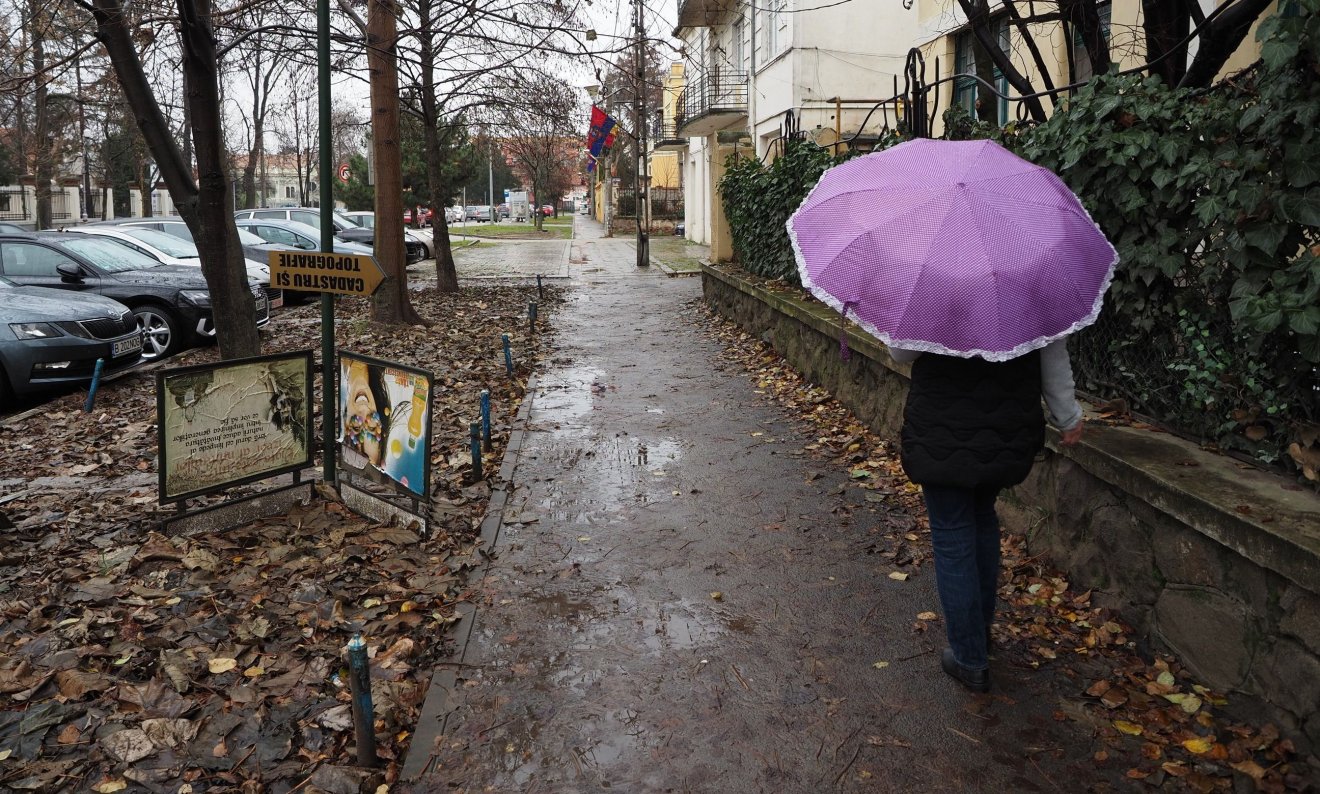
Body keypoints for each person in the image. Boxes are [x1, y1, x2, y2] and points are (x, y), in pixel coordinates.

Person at [890, 338, 1084, 693]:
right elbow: (1052, 354)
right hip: (1005, 430)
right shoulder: (1030, 285)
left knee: (952, 533)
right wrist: (1068, 416)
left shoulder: (934, 284)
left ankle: (968, 657)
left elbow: (900, 352)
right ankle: (978, 637)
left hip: (941, 430)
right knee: (982, 517)